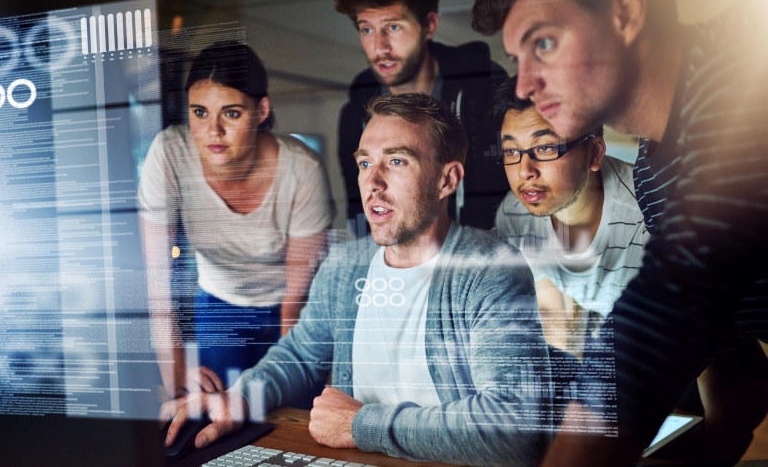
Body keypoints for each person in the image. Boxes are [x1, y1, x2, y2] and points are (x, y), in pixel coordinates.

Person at [472, 0, 768, 465]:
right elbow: (729, 363)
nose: (523, 84)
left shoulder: (739, 71)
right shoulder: (657, 175)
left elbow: (665, 309)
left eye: (544, 42)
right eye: (519, 58)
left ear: (627, 10)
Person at [162, 93, 553, 467]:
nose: (373, 182)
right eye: (365, 163)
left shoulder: (490, 269)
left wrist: (358, 425)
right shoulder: (346, 263)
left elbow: (515, 428)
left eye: (397, 162)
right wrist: (241, 398)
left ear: (447, 180)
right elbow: (300, 354)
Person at [138, 41, 334, 399]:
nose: (213, 131)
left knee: (293, 407)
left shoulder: (302, 169)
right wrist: (175, 367)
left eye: (230, 113)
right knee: (216, 406)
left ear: (260, 111)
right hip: (220, 303)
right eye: (199, 113)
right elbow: (156, 282)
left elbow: (297, 299)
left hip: (290, 306)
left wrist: (287, 379)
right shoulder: (169, 154)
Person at [335, 0, 508, 232]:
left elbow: (502, 193)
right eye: (366, 29)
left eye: (393, 26)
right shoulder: (355, 114)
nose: (380, 47)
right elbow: (359, 208)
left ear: (428, 25)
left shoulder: (482, 90)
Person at [492, 78, 647, 355]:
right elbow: (553, 311)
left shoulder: (648, 213)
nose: (525, 171)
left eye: (546, 148)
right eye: (512, 151)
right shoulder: (515, 214)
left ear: (595, 154)